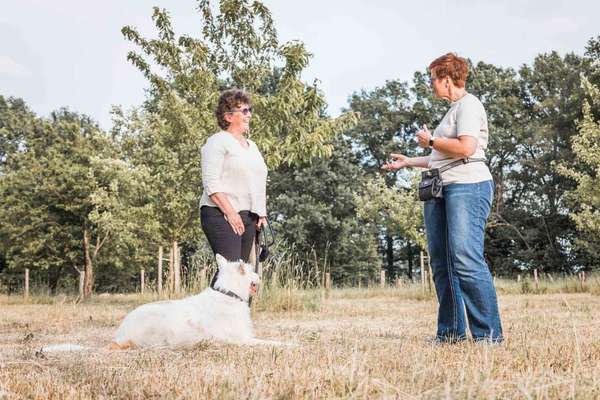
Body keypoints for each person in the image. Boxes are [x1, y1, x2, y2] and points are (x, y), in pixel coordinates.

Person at [382, 53, 503, 343]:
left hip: (468, 186)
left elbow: (466, 147)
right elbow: (442, 157)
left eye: (433, 79)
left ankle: (488, 336)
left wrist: (431, 140)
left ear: (447, 79)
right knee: (442, 263)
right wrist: (408, 161)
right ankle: (451, 333)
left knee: (465, 258)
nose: (431, 84)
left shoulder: (470, 105)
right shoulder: (452, 110)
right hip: (444, 187)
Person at [200, 89, 268, 268]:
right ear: (228, 116)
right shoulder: (217, 141)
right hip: (219, 213)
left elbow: (258, 179)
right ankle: (216, 297)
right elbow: (211, 183)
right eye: (244, 111)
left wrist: (261, 212)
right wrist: (231, 213)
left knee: (241, 272)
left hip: (248, 215)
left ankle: (237, 298)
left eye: (249, 110)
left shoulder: (252, 146)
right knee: (230, 272)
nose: (249, 115)